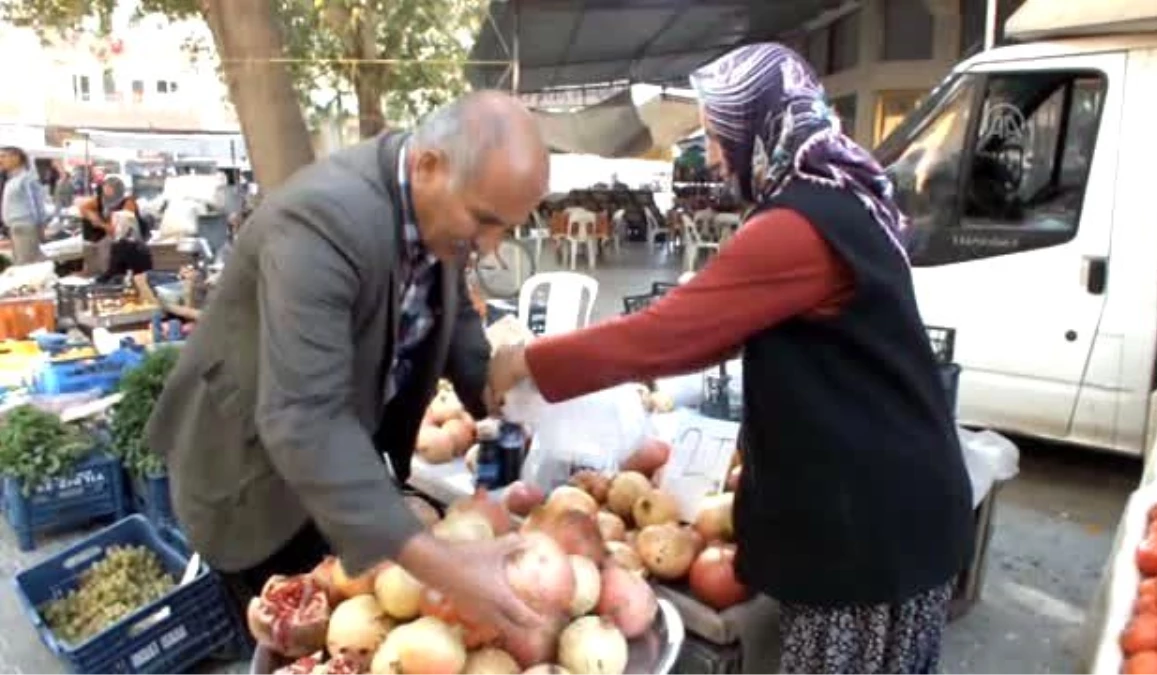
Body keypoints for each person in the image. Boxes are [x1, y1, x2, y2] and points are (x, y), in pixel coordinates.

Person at [488, 44, 974, 674]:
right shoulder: (833, 198)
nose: (715, 157)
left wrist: (527, 359)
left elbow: (669, 334)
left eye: (721, 136)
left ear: (761, 125)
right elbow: (714, 335)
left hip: (871, 524)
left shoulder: (798, 224)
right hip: (893, 504)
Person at [145, 91, 552, 640]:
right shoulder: (321, 220)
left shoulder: (438, 214)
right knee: (294, 639)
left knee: (354, 629)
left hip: (338, 468)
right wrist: (443, 565)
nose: (493, 246)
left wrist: (499, 391)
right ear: (429, 164)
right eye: (484, 222)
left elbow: (446, 314)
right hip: (253, 476)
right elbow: (305, 417)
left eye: (507, 227)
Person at [79, 175, 138, 277]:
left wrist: (102, 224)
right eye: (105, 186)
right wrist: (92, 216)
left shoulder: (127, 203)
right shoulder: (100, 201)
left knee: (106, 250)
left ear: (117, 189)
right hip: (103, 236)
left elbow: (119, 229)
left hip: (121, 238)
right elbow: (84, 208)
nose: (105, 189)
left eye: (109, 188)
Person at [0, 147, 48, 265]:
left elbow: (36, 203)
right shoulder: (12, 180)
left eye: (3, 156)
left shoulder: (27, 178)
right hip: (15, 227)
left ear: (16, 158)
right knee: (21, 261)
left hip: (25, 226)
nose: (1, 160)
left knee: (27, 263)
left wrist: (40, 226)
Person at [96, 211, 152, 283]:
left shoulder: (121, 246)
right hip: (143, 283)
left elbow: (113, 271)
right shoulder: (143, 246)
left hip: (131, 284)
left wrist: (97, 280)